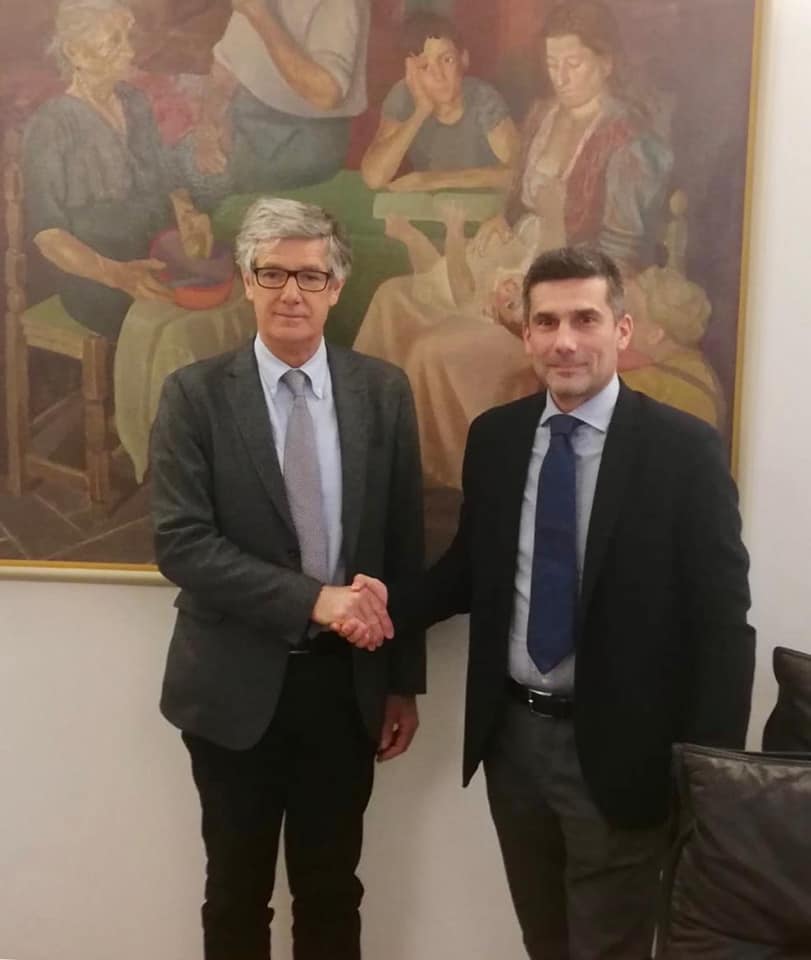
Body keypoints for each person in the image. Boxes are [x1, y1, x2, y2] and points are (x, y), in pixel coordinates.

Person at [349, 245, 755, 958]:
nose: (565, 340)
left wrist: (708, 774)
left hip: (626, 753)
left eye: (584, 319)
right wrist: (381, 607)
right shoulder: (496, 438)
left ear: (621, 329)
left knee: (608, 948)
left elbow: (723, 625)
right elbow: (469, 571)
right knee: (545, 941)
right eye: (546, 322)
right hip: (513, 744)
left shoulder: (684, 450)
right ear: (526, 334)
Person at [150, 197, 425, 960]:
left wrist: (401, 682)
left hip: (344, 690)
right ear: (247, 280)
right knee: (235, 895)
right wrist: (315, 600)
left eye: (310, 275)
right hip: (231, 687)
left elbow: (402, 544)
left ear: (337, 286)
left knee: (332, 893)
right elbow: (181, 544)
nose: (290, 293)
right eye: (272, 273)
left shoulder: (382, 392)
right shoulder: (195, 394)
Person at [354, 0, 672, 489]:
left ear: (606, 62)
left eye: (574, 63)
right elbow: (519, 192)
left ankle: (455, 485)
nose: (561, 76)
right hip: (514, 259)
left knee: (429, 351)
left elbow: (619, 255)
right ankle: (369, 456)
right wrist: (502, 221)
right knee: (392, 300)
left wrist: (538, 277)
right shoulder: (543, 114)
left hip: (565, 291)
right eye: (552, 63)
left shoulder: (627, 143)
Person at [23, 0, 177, 338]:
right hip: (95, 280)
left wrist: (188, 214)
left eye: (128, 37)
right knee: (170, 325)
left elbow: (164, 181)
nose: (130, 51)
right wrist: (116, 274)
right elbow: (48, 237)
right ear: (75, 52)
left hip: (153, 259)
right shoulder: (52, 124)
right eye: (114, 40)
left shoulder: (135, 102)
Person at [179, 0, 370, 204]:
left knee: (224, 200)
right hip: (248, 123)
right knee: (176, 167)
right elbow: (223, 71)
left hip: (306, 137)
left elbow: (326, 95)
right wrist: (208, 124)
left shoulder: (340, 5)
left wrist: (260, 16)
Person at [360, 11, 518, 191]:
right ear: (411, 72)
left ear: (463, 59)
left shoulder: (482, 98)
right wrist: (420, 112)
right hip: (433, 203)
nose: (438, 75)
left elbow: (517, 172)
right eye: (424, 66)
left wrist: (432, 180)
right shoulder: (403, 96)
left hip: (483, 201)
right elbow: (374, 178)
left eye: (447, 60)